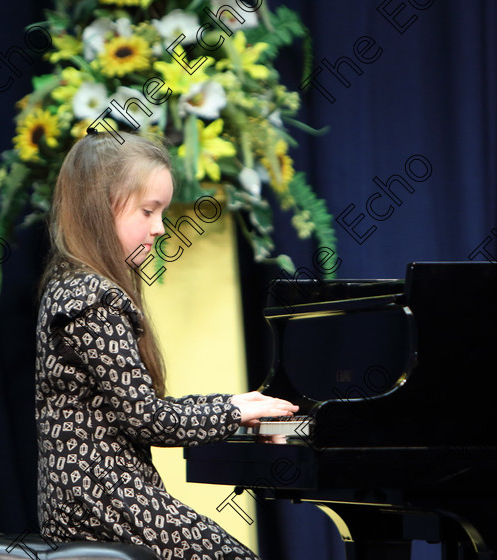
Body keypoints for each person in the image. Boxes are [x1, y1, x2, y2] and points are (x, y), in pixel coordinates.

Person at [35, 130, 299, 560]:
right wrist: (234, 411)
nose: (160, 228)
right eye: (148, 211)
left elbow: (138, 410)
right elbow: (148, 420)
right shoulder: (91, 296)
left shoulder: (74, 284)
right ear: (99, 207)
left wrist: (237, 407)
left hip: (95, 495)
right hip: (99, 499)